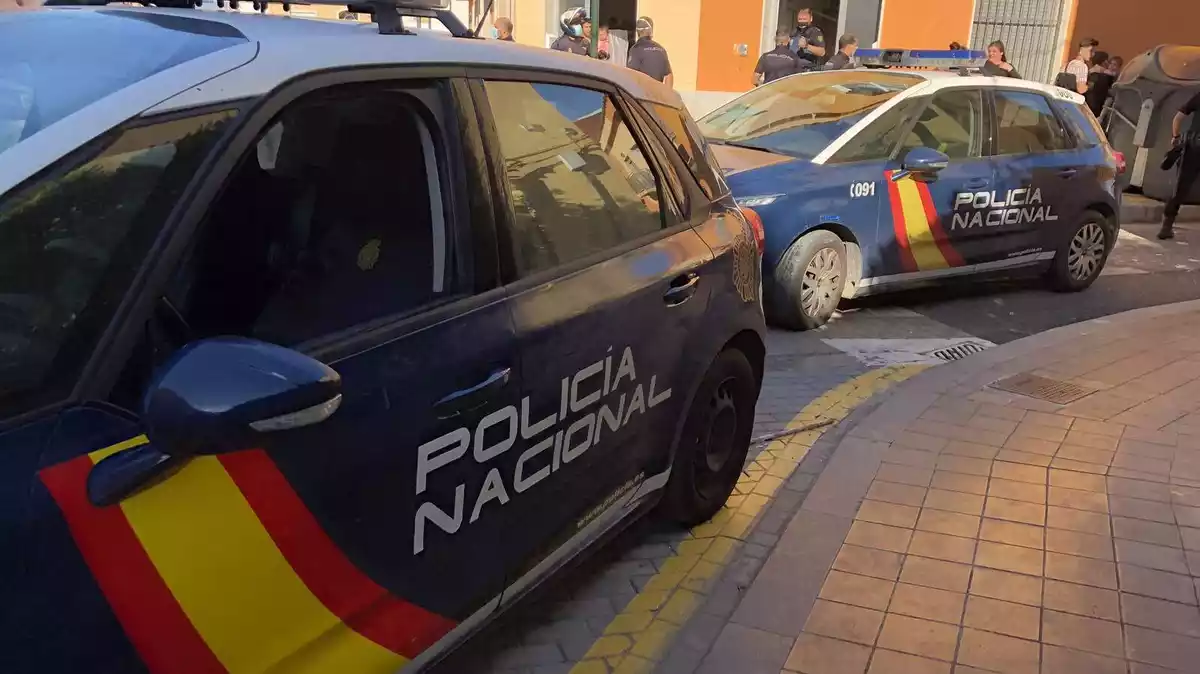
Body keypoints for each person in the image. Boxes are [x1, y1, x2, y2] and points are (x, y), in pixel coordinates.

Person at [1158, 91, 1200, 240]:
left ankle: (1166, 226)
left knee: (1181, 188)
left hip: (1194, 147)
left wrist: (1175, 137)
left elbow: (1178, 117)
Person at [627, 16, 673, 87]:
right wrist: (667, 95)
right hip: (658, 94)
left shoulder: (636, 49)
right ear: (651, 31)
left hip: (643, 94)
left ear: (638, 32)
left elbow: (631, 74)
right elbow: (668, 75)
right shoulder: (661, 49)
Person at [789, 7, 826, 71]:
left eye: (804, 19)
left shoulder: (815, 32)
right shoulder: (794, 31)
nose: (802, 21)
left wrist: (807, 46)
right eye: (800, 19)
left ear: (811, 19)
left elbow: (822, 52)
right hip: (794, 68)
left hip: (808, 68)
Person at [1085, 50, 1115, 116]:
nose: (1109, 64)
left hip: (1086, 107)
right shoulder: (1105, 77)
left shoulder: (1089, 73)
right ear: (1104, 61)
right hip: (1097, 110)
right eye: (1108, 61)